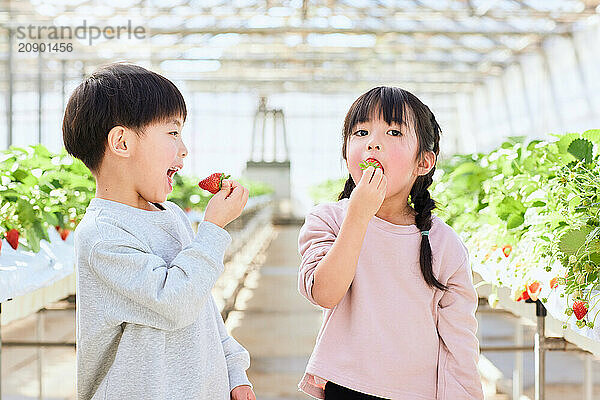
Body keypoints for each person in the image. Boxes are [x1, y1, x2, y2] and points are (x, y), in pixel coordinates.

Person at [63, 62, 255, 400]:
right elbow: (174, 303)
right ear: (121, 142)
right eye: (172, 132)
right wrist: (212, 229)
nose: (184, 149)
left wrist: (234, 370)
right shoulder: (102, 235)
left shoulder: (173, 216)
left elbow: (202, 307)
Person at [297, 86, 484, 399]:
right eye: (361, 131)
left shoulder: (443, 242)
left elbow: (459, 339)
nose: (373, 142)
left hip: (421, 392)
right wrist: (357, 215)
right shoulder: (328, 219)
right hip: (348, 387)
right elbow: (324, 293)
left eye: (394, 132)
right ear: (346, 152)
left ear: (423, 162)